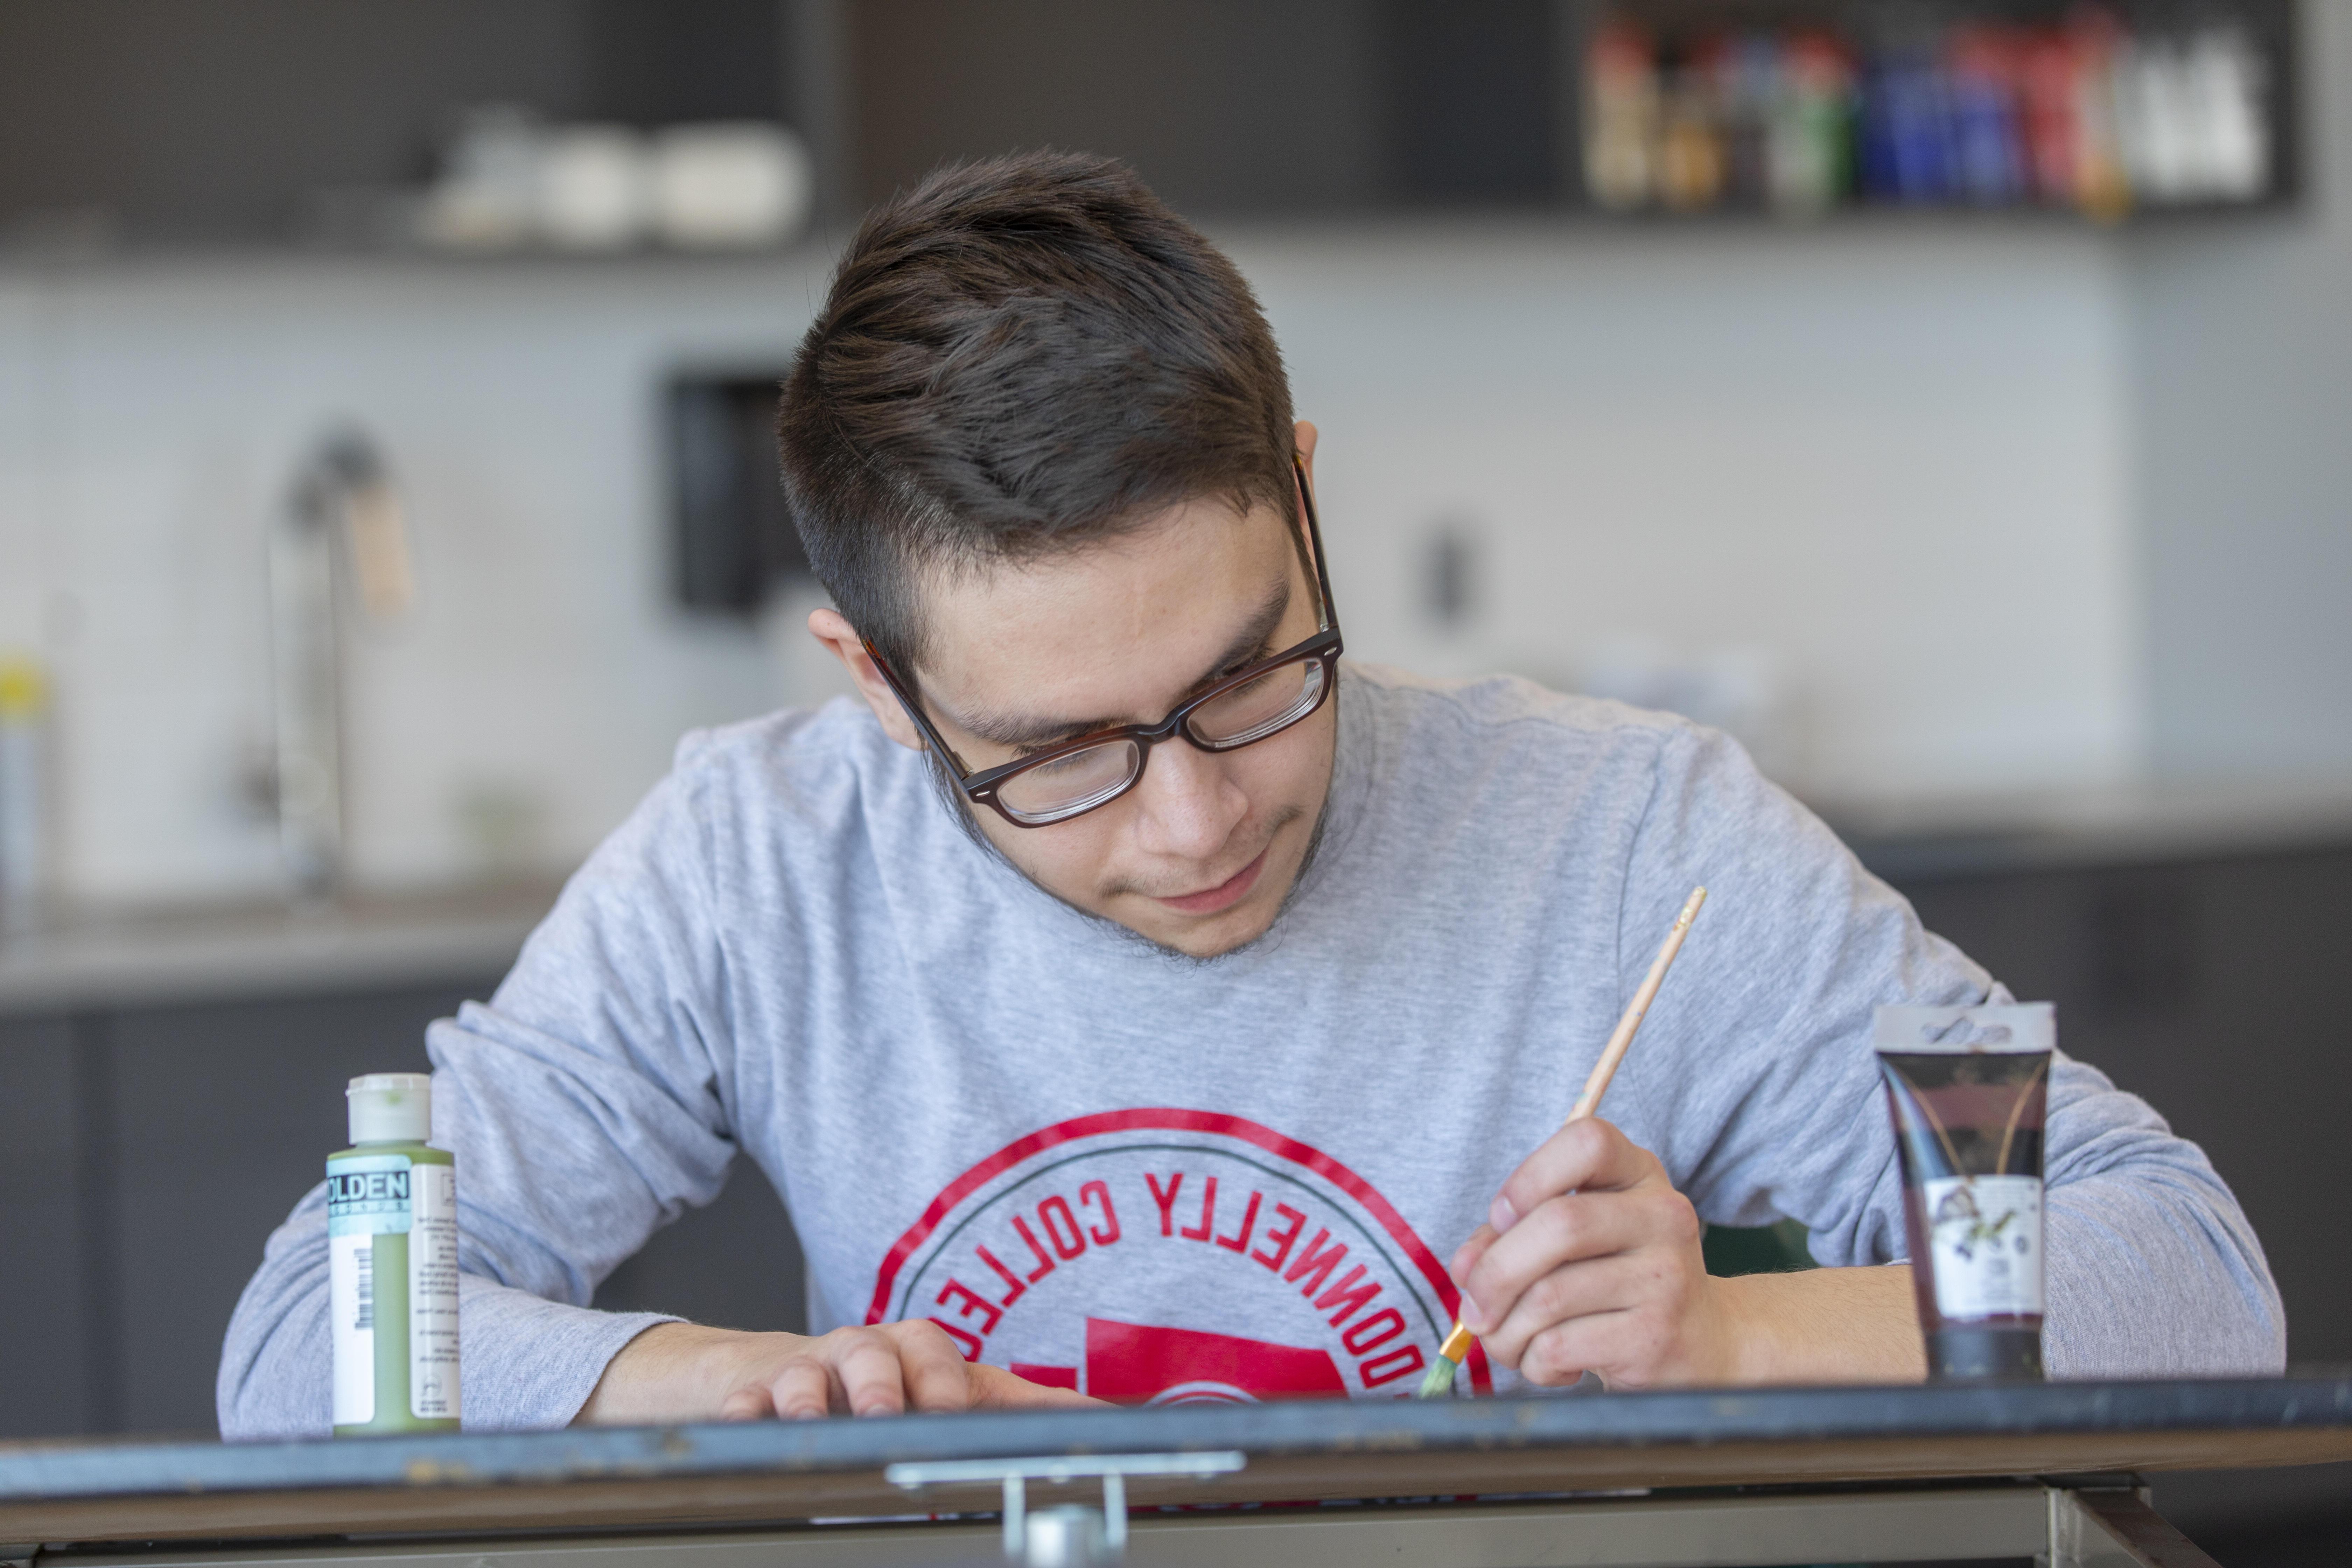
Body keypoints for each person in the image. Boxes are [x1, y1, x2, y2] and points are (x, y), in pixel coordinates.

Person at [219, 152, 2281, 1438]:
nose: (1194, 826)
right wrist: (720, 1386)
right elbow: (301, 1347)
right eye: (1054, 758)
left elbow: (2192, 1283)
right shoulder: (756, 866)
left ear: (1304, 490)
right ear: (872, 685)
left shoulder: (1634, 842)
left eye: (1246, 679)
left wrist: (1749, 1338)